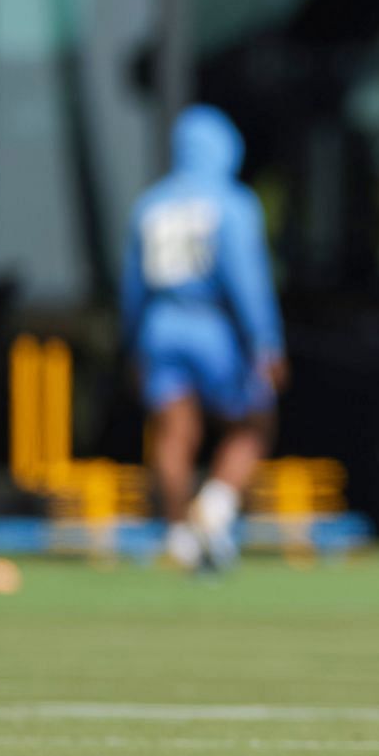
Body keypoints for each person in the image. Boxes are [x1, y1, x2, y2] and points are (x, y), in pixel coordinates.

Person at [120, 104, 287, 573]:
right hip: (215, 326)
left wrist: (132, 342)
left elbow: (131, 284)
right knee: (253, 422)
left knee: (174, 431)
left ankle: (178, 531)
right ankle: (214, 508)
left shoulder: (150, 203)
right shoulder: (232, 203)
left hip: (160, 324)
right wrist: (266, 341)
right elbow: (246, 279)